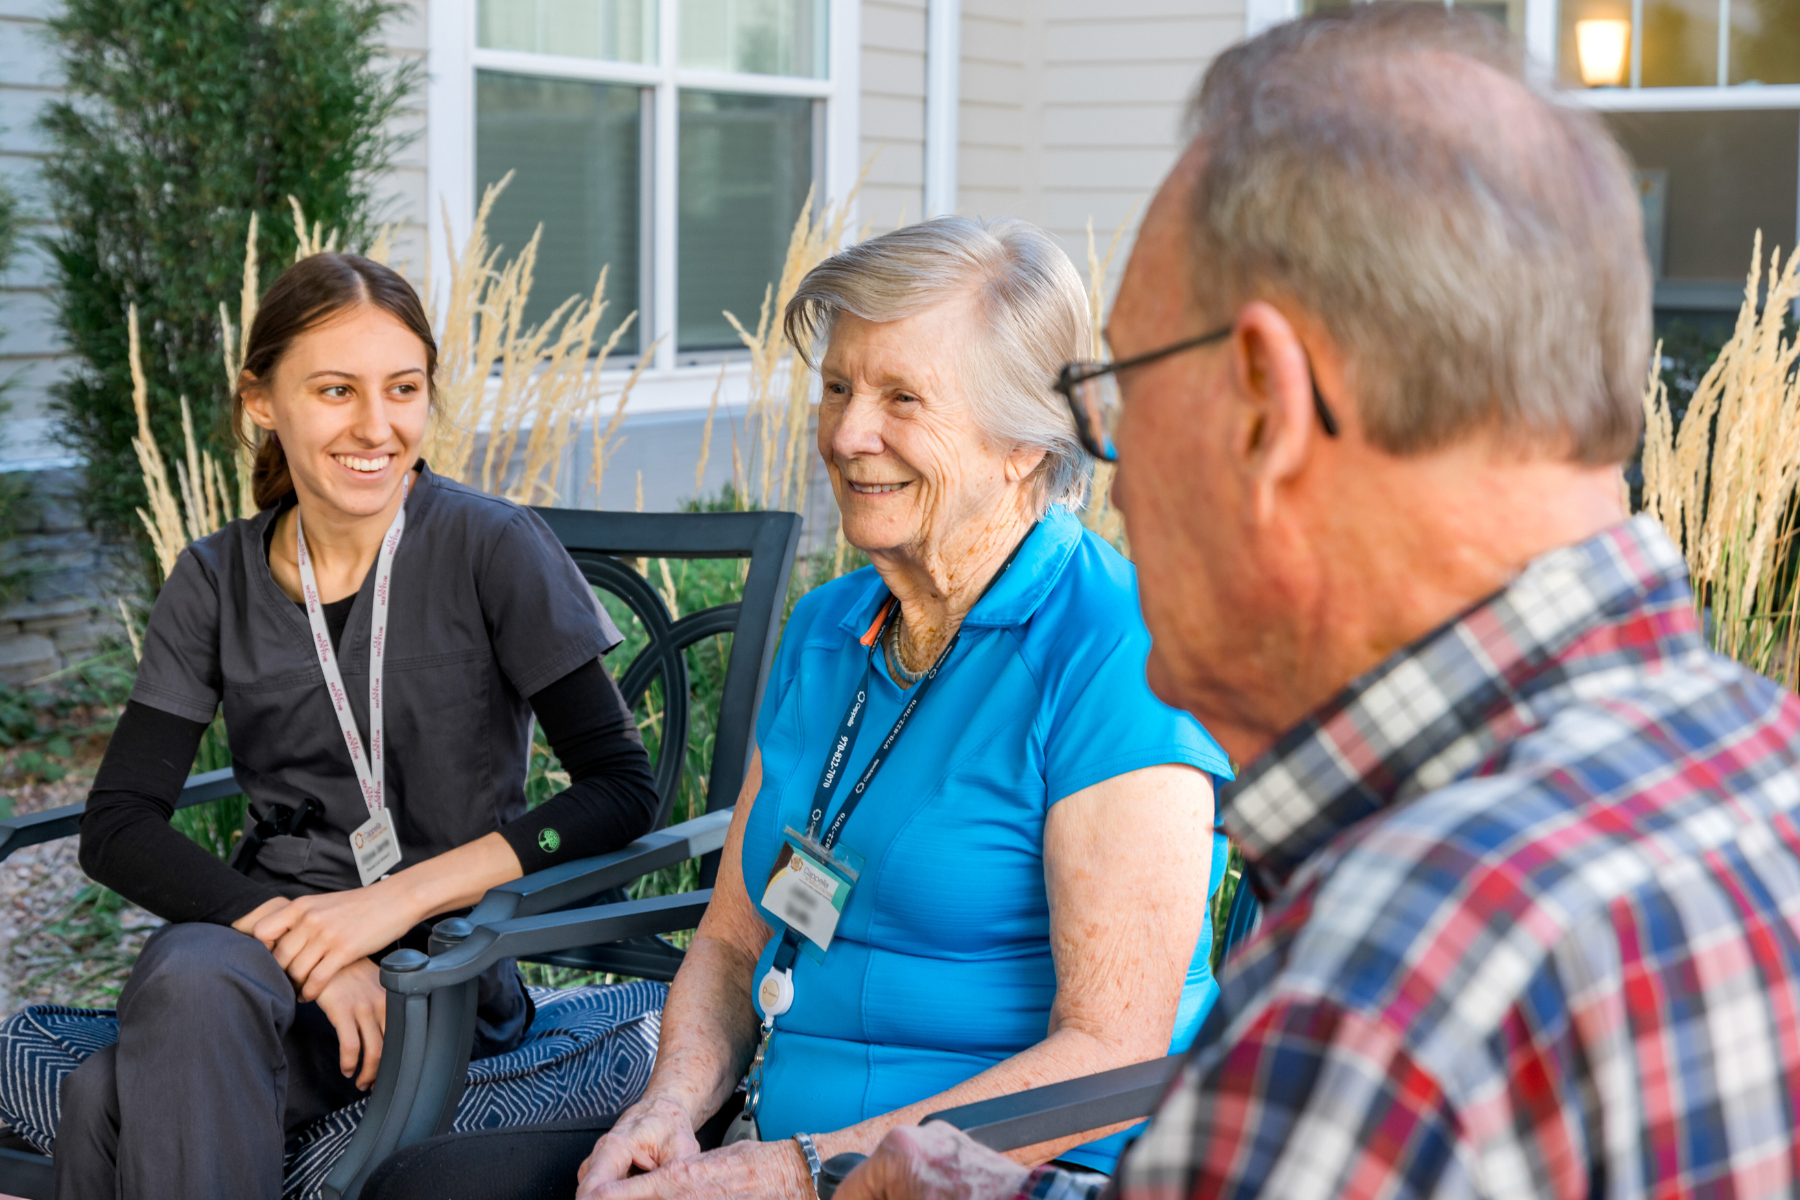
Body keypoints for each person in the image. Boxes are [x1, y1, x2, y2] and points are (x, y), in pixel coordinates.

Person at [835, 7, 1800, 1200]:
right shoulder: (1762, 765)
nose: (1108, 458)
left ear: (1262, 411)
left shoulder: (1394, 981)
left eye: (1120, 389)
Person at [363, 216, 1234, 1200]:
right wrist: (668, 1111)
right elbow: (733, 945)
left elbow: (1108, 1062)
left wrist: (796, 1172)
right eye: (838, 388)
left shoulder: (1115, 648)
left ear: (1024, 443)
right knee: (424, 1189)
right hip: (773, 1146)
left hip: (982, 1178)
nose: (848, 433)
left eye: (903, 398)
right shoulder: (831, 629)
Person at [27, 252, 660, 1199]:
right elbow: (117, 825)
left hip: (443, 965)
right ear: (262, 402)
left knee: (104, 1097)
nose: (377, 426)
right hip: (256, 957)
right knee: (195, 979)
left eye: (403, 389)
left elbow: (621, 789)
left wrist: (391, 908)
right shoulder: (213, 578)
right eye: (334, 390)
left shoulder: (493, 547)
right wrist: (312, 952)